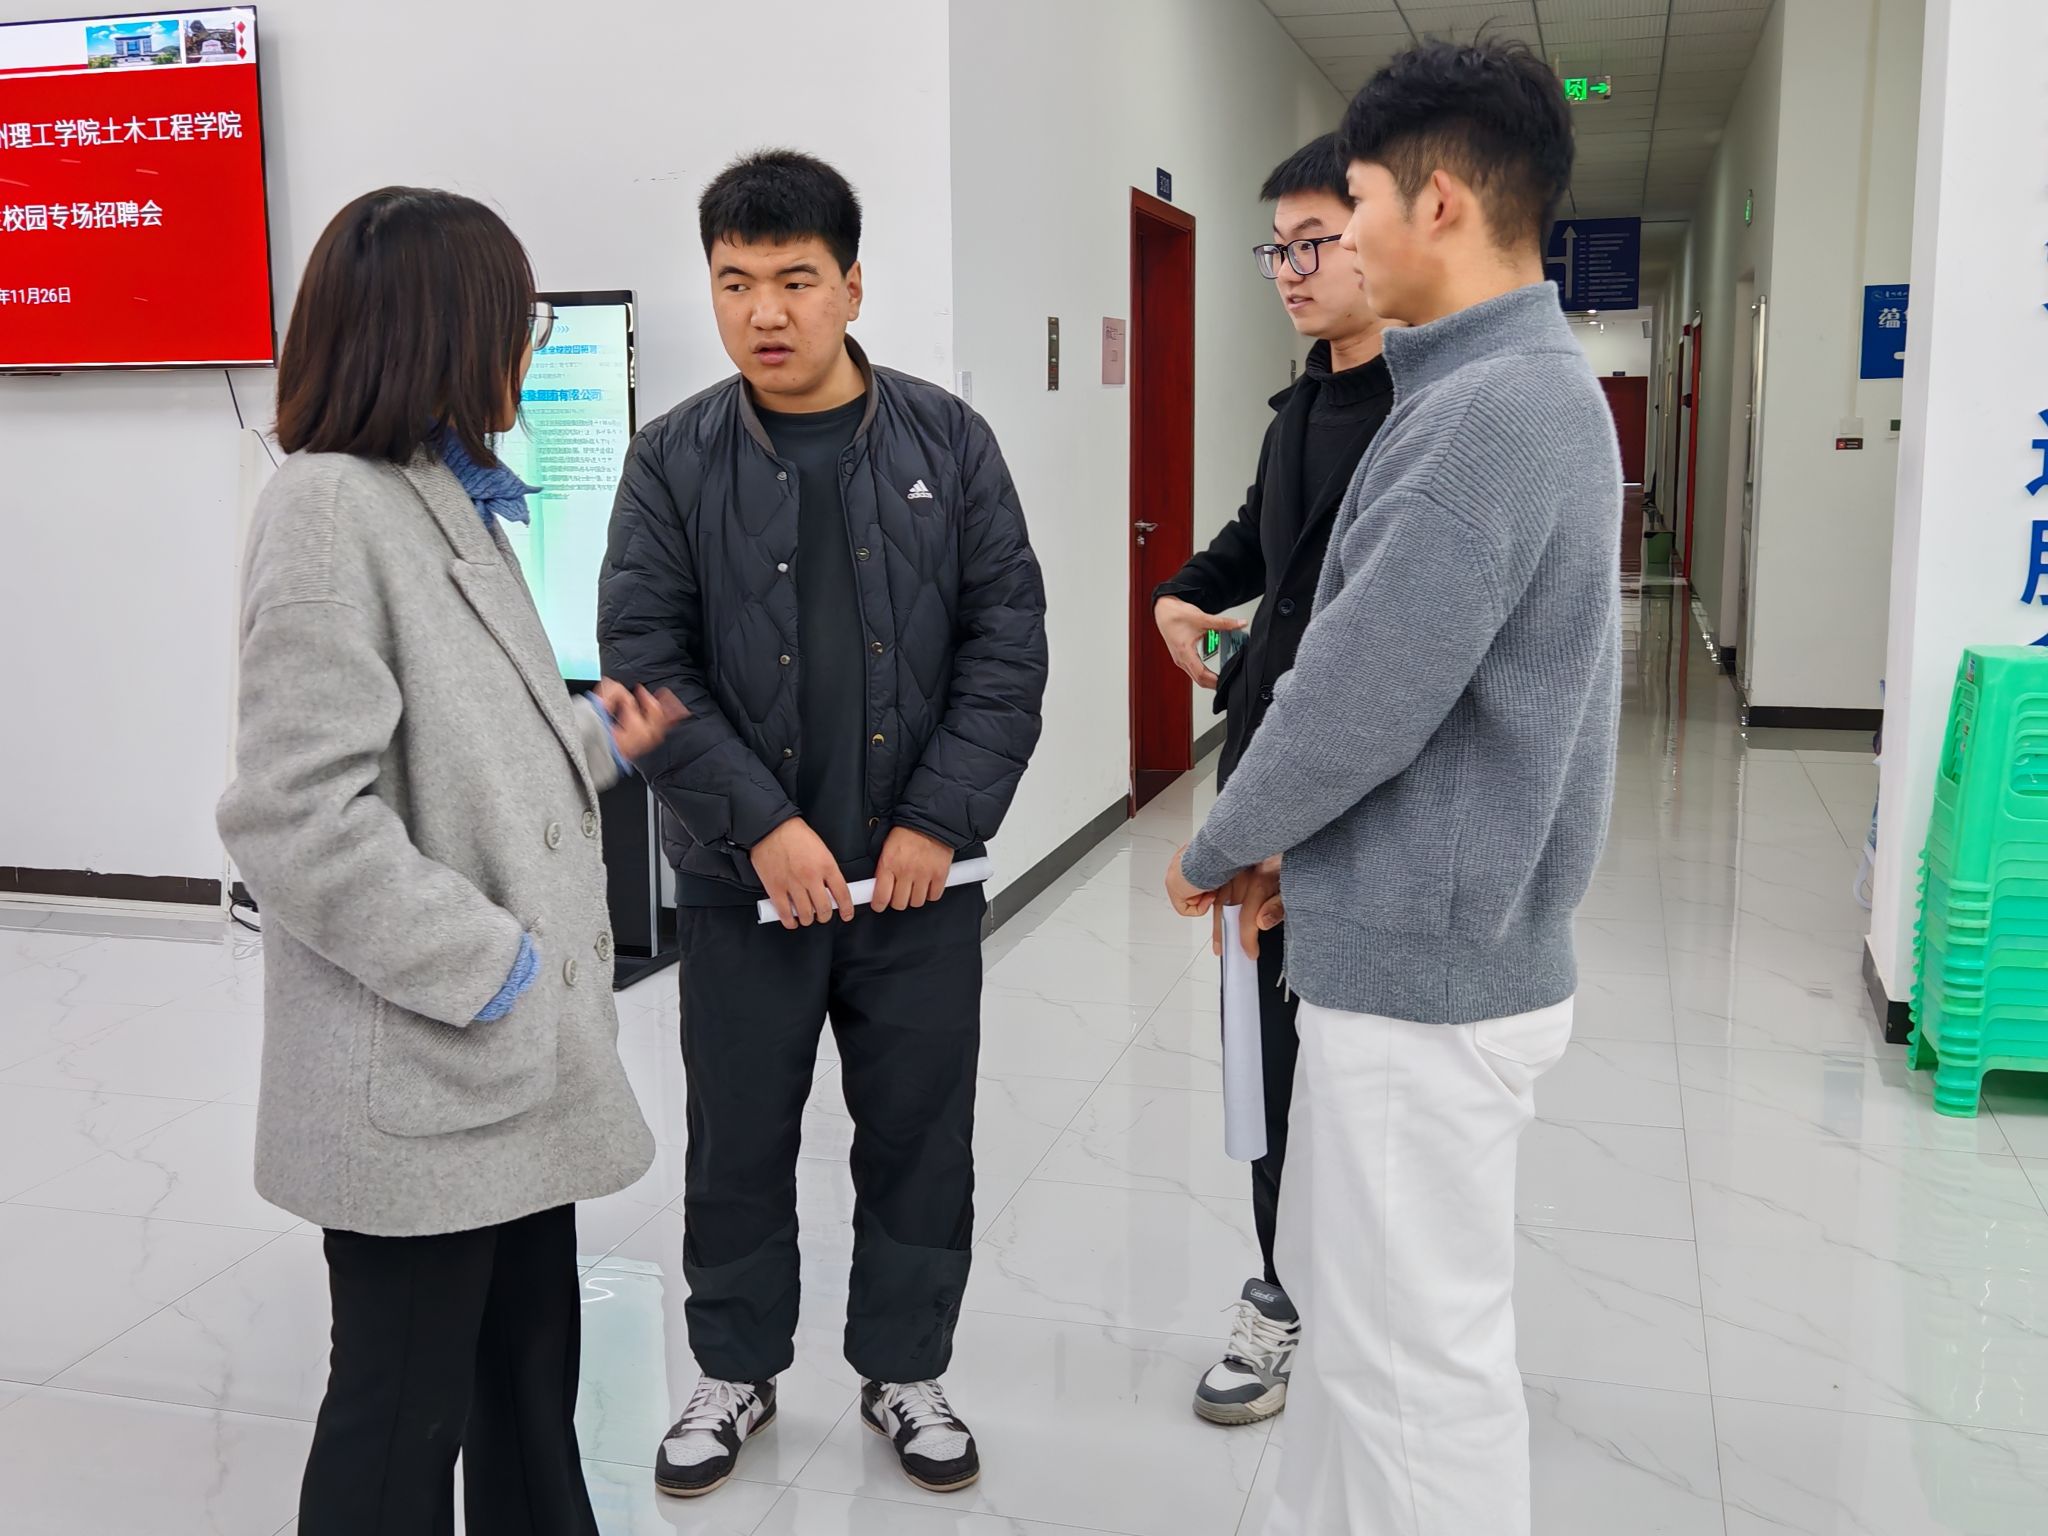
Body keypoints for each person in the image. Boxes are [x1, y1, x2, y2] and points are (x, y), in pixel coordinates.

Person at [1165, 40, 1621, 1536]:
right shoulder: (1499, 389)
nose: (1337, 243)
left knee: (1418, 1373)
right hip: (1417, 936)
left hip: (1429, 977)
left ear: (1436, 204)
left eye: (1351, 206)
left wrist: (1222, 841)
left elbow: (1357, 695)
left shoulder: (1484, 415)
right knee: (1366, 1349)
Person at [216, 187, 681, 1535]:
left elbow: (460, 748)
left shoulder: (442, 496)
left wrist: (593, 738)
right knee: (401, 1423)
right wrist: (493, 968)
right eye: (514, 320)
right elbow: (297, 815)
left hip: (501, 1073)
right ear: (440, 330)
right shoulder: (328, 508)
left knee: (527, 1392)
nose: (525, 349)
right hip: (429, 1064)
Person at [599, 149, 1048, 1500]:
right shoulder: (672, 459)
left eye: (795, 280)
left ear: (852, 285)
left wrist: (938, 821)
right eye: (735, 282)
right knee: (738, 1134)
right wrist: (763, 832)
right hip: (746, 890)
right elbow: (644, 662)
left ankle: (905, 1367)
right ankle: (733, 1368)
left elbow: (1007, 647)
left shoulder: (948, 443)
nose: (765, 312)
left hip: (917, 885)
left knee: (919, 1133)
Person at [1151, 131, 1396, 1429]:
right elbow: (1264, 539)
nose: (1293, 270)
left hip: (1361, 820)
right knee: (1268, 1071)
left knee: (1368, 1095)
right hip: (1266, 788)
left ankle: (1367, 1319)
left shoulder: (1429, 417)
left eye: (1317, 243)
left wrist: (1305, 831)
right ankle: (1279, 1296)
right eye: (1278, 249)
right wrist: (1184, 593)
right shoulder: (1306, 402)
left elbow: (1397, 661)